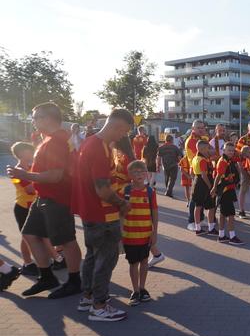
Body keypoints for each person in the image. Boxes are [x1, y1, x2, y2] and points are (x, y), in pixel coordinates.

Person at [7, 102, 83, 299]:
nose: (33, 121)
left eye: (35, 117)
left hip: (57, 198)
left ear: (48, 118)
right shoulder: (50, 139)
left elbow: (56, 175)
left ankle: (75, 281)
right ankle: (47, 277)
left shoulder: (56, 141)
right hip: (44, 197)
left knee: (66, 240)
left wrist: (25, 174)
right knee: (30, 233)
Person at [72, 108, 133, 321]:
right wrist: (122, 204)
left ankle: (88, 296)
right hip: (103, 214)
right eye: (123, 131)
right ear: (117, 126)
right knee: (105, 260)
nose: (123, 136)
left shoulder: (91, 142)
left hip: (91, 212)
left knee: (92, 256)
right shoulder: (100, 148)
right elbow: (102, 189)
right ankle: (99, 305)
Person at [10, 142, 63, 276]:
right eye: (29, 151)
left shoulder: (29, 167)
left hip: (34, 205)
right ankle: (36, 262)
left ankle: (39, 261)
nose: (32, 153)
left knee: (33, 236)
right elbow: (29, 190)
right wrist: (44, 180)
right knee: (32, 236)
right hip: (24, 207)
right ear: (21, 153)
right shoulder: (17, 171)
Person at [121, 160, 158, 306]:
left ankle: (142, 288)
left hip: (145, 234)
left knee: (144, 261)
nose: (139, 174)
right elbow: (121, 213)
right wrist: (120, 232)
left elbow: (154, 213)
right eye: (135, 172)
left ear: (146, 174)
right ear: (130, 174)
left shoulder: (150, 192)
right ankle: (135, 290)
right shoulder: (126, 191)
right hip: (130, 235)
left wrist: (155, 232)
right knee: (133, 263)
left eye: (142, 171)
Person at [211, 142, 244, 245]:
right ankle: (232, 236)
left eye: (232, 150)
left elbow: (240, 157)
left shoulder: (229, 160)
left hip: (228, 189)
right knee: (230, 214)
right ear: (223, 150)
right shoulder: (223, 161)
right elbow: (218, 176)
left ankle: (221, 235)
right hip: (225, 191)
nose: (231, 152)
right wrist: (214, 188)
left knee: (223, 213)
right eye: (228, 150)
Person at [184, 120, 209, 229]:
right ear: (193, 128)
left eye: (203, 127)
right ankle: (191, 222)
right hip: (196, 172)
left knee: (201, 197)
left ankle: (201, 218)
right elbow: (206, 152)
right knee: (194, 198)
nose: (202, 129)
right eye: (199, 128)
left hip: (201, 170)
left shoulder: (201, 139)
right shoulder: (192, 141)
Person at [191, 141, 217, 235]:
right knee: (210, 206)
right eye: (208, 148)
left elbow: (192, 172)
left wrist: (194, 181)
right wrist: (211, 187)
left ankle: (198, 228)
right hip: (203, 184)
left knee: (199, 206)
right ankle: (210, 228)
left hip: (197, 182)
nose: (209, 150)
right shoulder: (202, 160)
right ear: (202, 149)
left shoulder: (195, 158)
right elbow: (204, 175)